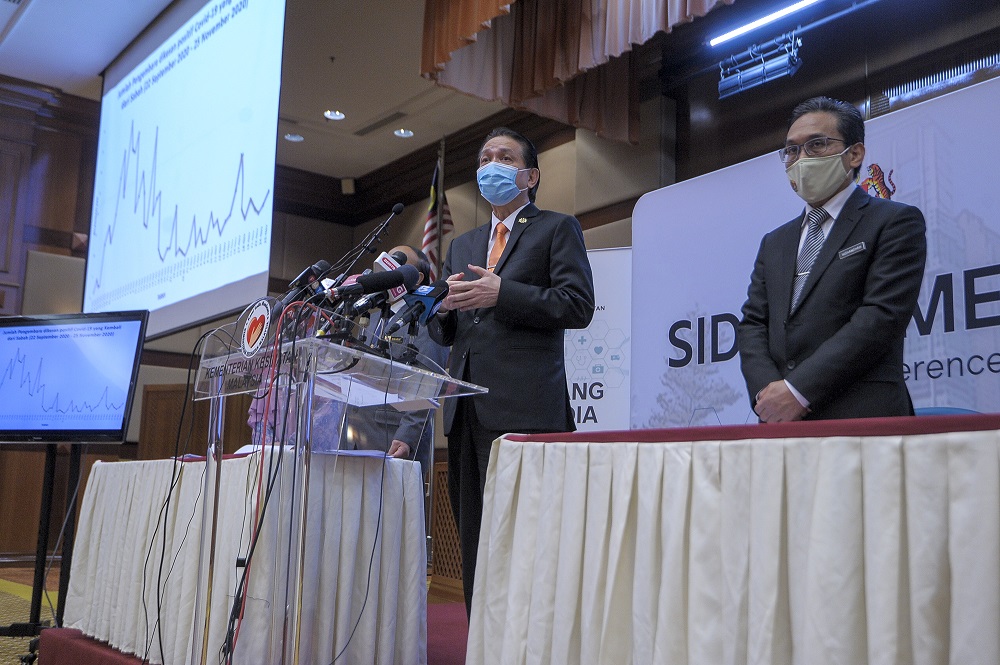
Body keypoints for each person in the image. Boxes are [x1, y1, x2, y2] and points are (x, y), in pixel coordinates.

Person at [428, 127, 595, 615]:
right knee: (475, 539)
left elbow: (577, 305)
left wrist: (504, 293)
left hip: (526, 410)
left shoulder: (556, 228)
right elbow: (450, 330)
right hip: (465, 410)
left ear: (530, 176)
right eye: (484, 159)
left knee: (528, 538)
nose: (490, 166)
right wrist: (441, 312)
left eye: (504, 157)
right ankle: (482, 639)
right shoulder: (464, 244)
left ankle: (530, 641)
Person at [738, 96, 926, 422]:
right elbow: (753, 324)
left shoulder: (894, 221)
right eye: (792, 150)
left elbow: (880, 317)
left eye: (817, 144)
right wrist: (769, 394)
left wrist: (798, 390)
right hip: (782, 423)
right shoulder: (775, 242)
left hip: (863, 419)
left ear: (855, 154)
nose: (801, 158)